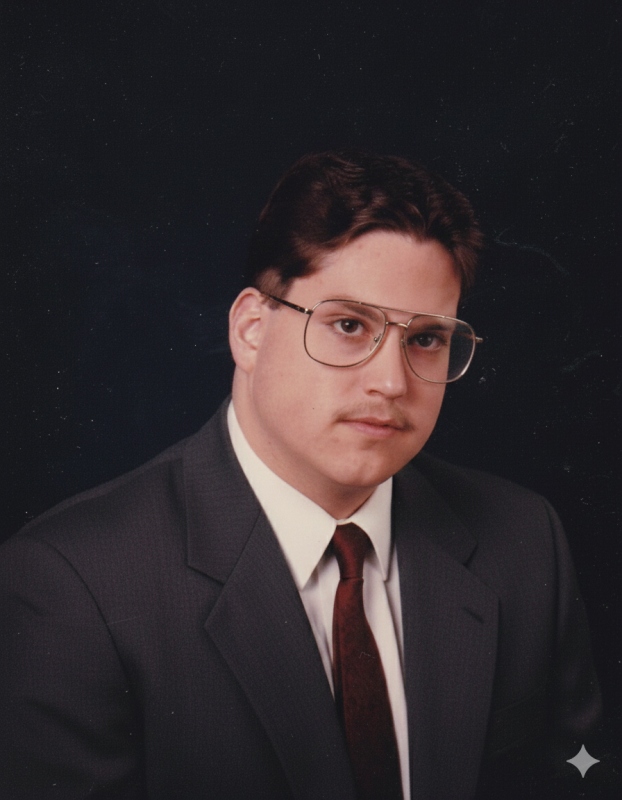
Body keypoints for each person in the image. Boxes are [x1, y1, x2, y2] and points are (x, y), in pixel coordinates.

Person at [0, 151, 603, 799]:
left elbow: (584, 778)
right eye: (349, 325)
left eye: (426, 338)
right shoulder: (72, 587)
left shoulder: (524, 539)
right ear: (250, 331)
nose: (391, 383)